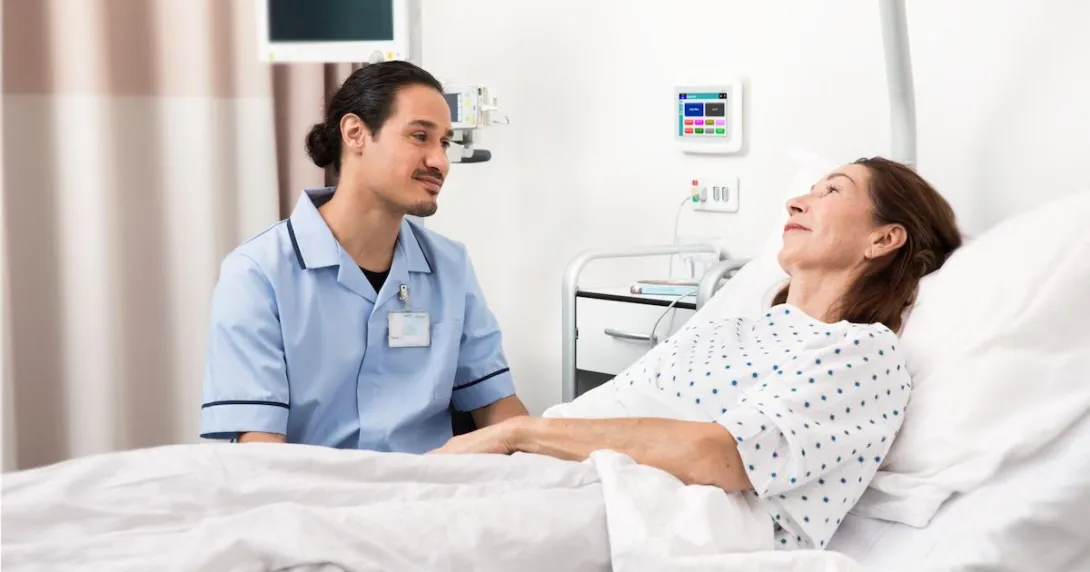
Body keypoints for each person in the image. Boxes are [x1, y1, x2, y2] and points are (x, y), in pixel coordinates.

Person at [431, 157, 962, 550]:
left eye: (832, 191)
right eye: (809, 189)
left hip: (628, 507)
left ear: (883, 238)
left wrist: (516, 433)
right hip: (547, 472)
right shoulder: (732, 327)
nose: (797, 201)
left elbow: (724, 455)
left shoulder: (862, 351)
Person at [200, 61, 528, 453]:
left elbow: (498, 411)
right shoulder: (258, 273)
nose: (440, 161)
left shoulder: (450, 267)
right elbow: (262, 452)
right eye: (420, 136)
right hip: (317, 498)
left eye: (444, 143)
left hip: (434, 493)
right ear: (355, 133)